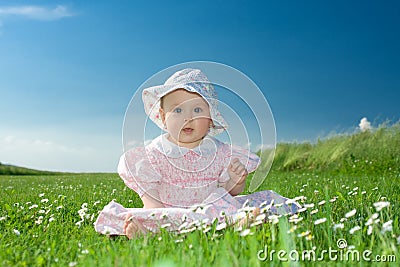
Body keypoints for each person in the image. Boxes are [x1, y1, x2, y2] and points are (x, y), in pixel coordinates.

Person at [94, 68, 299, 239]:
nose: (188, 118)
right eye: (178, 110)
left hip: (212, 207)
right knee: (164, 218)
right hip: (170, 210)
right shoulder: (152, 156)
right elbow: (151, 202)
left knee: (233, 206)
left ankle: (236, 221)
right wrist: (154, 216)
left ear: (210, 120)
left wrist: (235, 181)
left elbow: (227, 193)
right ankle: (147, 231)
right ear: (163, 117)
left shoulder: (219, 153)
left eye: (198, 111)